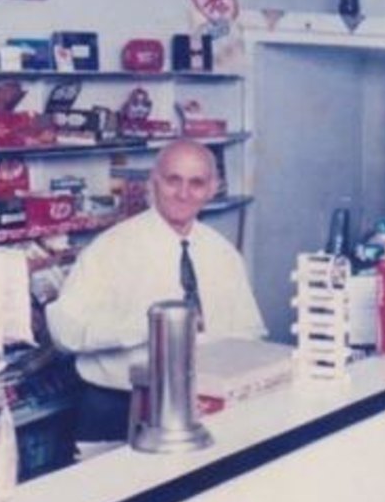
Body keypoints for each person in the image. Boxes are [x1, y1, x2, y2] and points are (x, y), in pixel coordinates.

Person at [46, 139, 266, 451]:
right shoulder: (111, 249)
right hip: (117, 410)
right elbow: (63, 332)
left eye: (197, 183)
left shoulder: (223, 254)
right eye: (173, 180)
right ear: (154, 182)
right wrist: (147, 328)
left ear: (213, 188)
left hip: (203, 409)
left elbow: (248, 334)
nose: (183, 193)